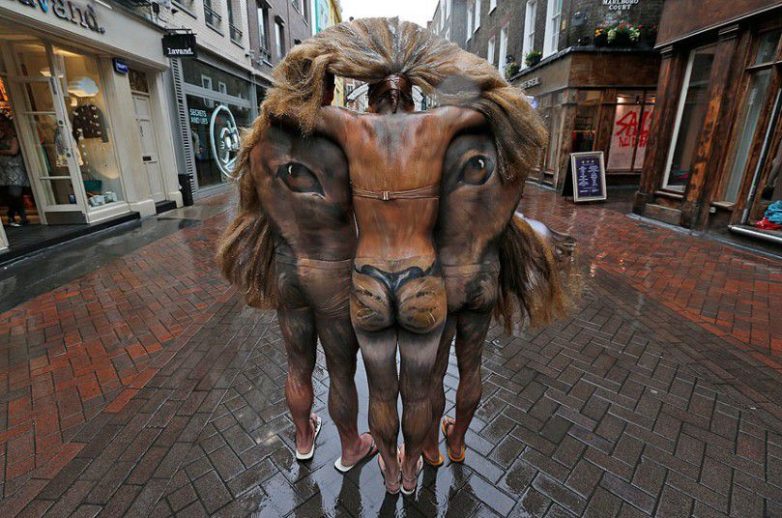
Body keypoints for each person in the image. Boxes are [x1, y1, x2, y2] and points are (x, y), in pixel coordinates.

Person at [0, 116, 30, 227]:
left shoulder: (14, 137)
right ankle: (17, 216)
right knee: (9, 194)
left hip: (15, 169)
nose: (3, 128)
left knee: (15, 193)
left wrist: (1, 151)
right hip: (4, 170)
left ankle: (15, 215)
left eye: (3, 125)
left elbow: (13, 151)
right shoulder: (2, 137)